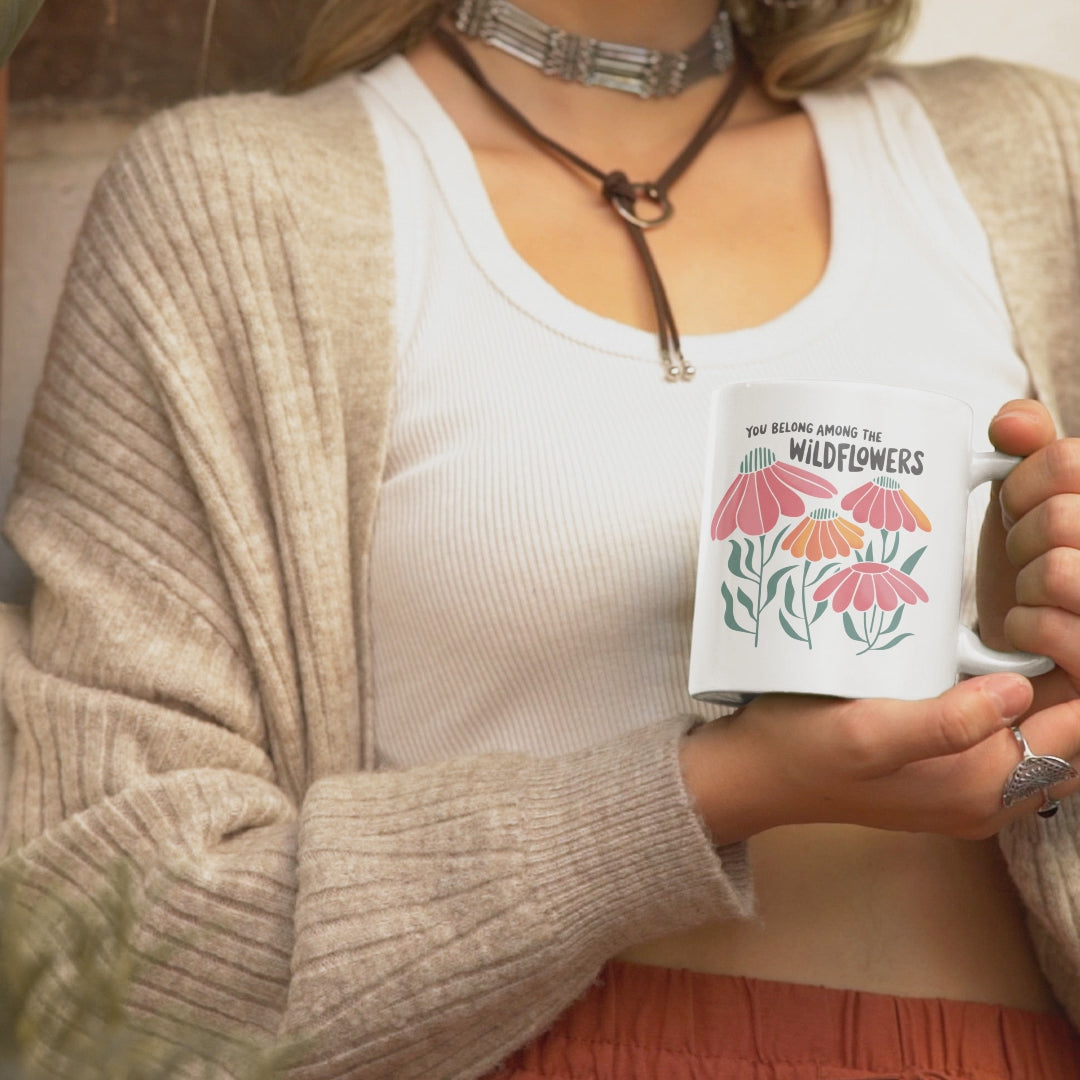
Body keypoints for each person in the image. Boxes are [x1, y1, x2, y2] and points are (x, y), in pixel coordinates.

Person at [3, 0, 1080, 1076]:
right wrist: (710, 792)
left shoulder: (1036, 152)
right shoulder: (238, 203)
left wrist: (1050, 729)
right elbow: (108, 941)